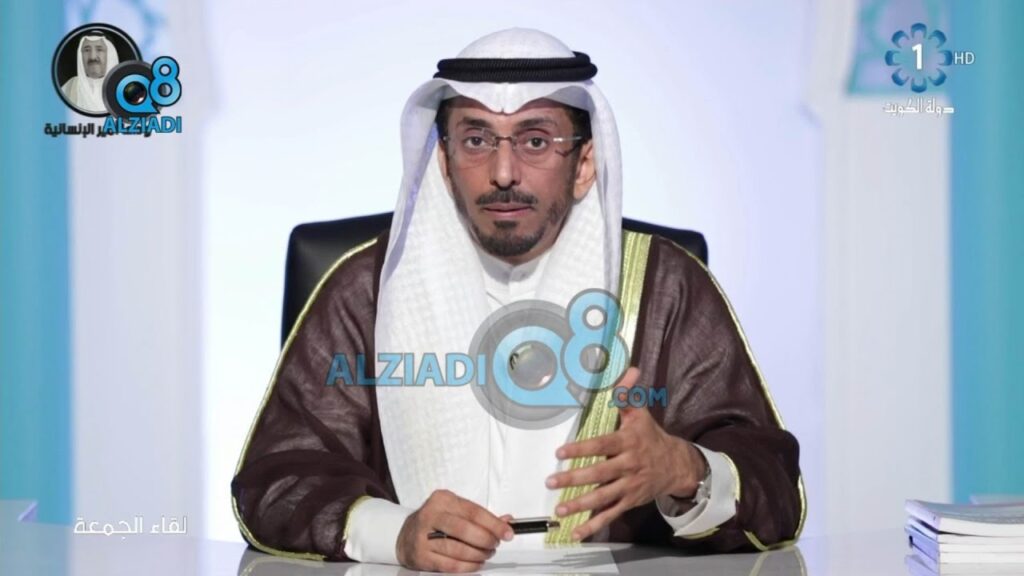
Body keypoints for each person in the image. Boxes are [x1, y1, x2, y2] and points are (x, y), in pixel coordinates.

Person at [230, 28, 804, 573]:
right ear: (444, 162)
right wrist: (397, 534)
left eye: (535, 141)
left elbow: (775, 487)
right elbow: (276, 481)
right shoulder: (367, 288)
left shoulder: (664, 284)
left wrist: (685, 470)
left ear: (584, 163)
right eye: (476, 141)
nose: (503, 173)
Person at [60, 32, 119, 114]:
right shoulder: (70, 86)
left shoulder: (123, 87)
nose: (92, 57)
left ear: (110, 55)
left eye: (99, 49)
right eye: (87, 50)